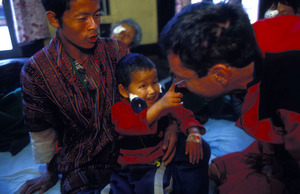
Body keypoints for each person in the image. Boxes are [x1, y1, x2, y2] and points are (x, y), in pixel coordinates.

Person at [18, 0, 177, 193]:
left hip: (133, 149)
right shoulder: (37, 70)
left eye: (96, 15)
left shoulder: (116, 51)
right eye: (82, 18)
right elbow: (41, 128)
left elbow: (147, 96)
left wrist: (171, 125)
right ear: (54, 19)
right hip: (83, 163)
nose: (94, 26)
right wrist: (49, 172)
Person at [159, 2, 300, 193]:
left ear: (220, 75)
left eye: (182, 78)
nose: (177, 85)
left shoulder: (290, 93)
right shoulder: (246, 41)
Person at [104, 53, 208, 193]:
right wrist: (160, 106)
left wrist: (193, 132)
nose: (152, 91)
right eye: (143, 86)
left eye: (154, 82)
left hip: (156, 164)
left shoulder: (161, 100)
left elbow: (183, 114)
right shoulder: (121, 108)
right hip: (128, 167)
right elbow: (128, 126)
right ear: (124, 91)